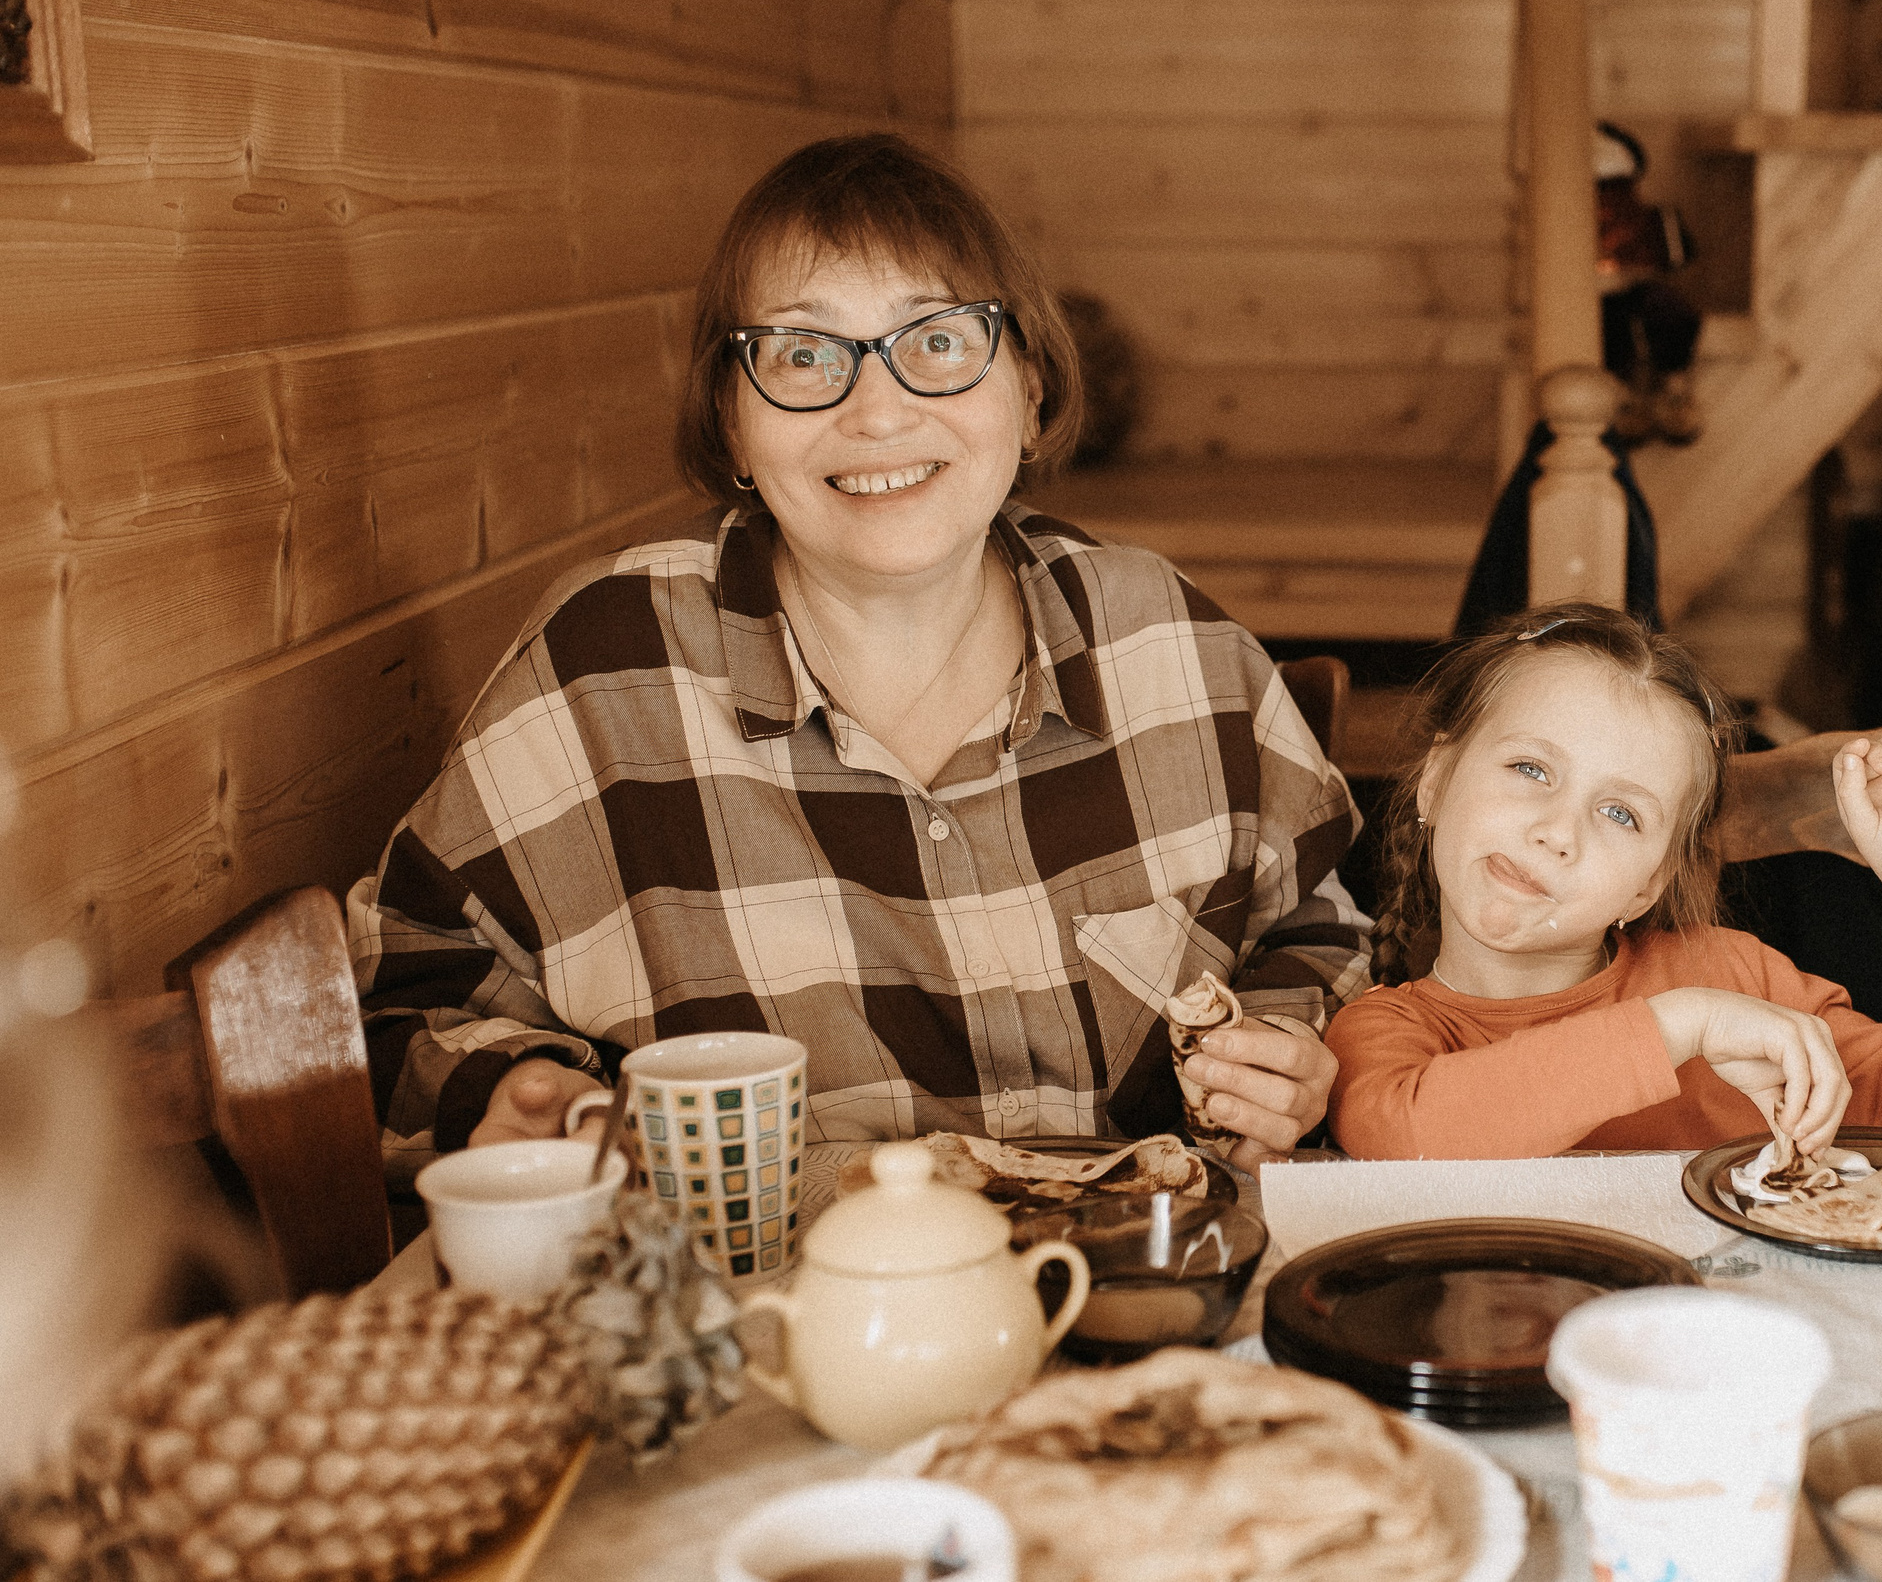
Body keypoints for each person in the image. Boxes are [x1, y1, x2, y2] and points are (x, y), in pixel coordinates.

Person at [351, 135, 1364, 1175]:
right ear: (732, 424)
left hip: (1145, 1302)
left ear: (1031, 388)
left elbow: (1326, 941)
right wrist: (503, 1090)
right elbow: (402, 1003)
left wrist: (1291, 1057)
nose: (876, 411)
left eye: (936, 341)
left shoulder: (1169, 640)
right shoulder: (605, 670)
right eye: (802, 355)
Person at [1324, 604, 1882, 1160]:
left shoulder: (1733, 977)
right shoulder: (1382, 1030)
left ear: (1647, 885)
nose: (1557, 832)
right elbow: (1412, 1135)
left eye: (1619, 813)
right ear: (1438, 782)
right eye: (1530, 769)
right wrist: (1683, 1025)